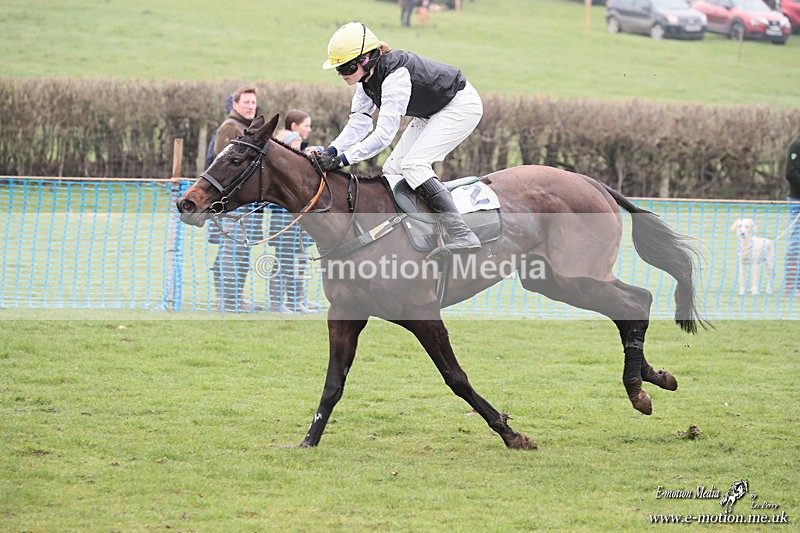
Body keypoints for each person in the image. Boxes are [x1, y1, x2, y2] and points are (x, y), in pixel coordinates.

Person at [315, 21, 483, 255]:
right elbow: (359, 122)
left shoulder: (395, 76)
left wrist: (343, 160)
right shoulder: (366, 80)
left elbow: (384, 135)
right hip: (432, 112)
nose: (341, 75)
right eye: (338, 69)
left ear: (366, 59)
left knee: (414, 165)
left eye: (346, 68)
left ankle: (462, 233)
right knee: (392, 169)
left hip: (460, 106)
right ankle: (412, 235)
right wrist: (332, 151)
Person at [208, 85, 263, 312]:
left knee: (241, 253)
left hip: (246, 204)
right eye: (246, 102)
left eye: (253, 102)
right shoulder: (231, 127)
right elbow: (222, 168)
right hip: (231, 205)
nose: (251, 106)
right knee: (230, 253)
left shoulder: (247, 127)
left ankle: (235, 298)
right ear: (235, 104)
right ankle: (227, 300)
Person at [267, 126, 323, 313]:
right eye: (294, 146)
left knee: (300, 262)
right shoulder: (278, 173)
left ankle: (297, 301)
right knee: (283, 263)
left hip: (301, 225)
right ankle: (277, 302)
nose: (298, 151)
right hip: (283, 225)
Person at [784, 132, 800, 296]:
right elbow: (790, 174)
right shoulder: (796, 145)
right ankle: (791, 285)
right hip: (797, 199)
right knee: (796, 242)